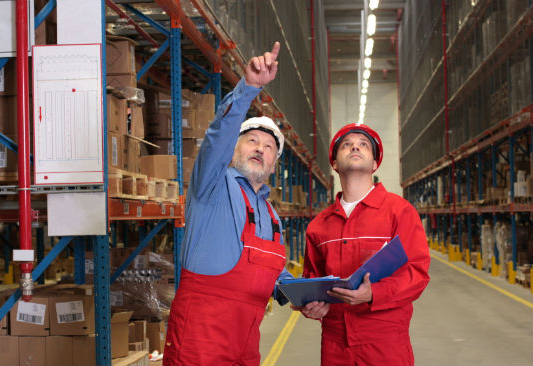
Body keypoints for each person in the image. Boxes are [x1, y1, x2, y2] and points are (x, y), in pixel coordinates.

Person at [163, 42, 293, 366]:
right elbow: (218, 135)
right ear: (233, 150)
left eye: (268, 147)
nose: (260, 149)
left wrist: (303, 292)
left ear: (274, 164)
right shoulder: (212, 184)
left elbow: (270, 273)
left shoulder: (272, 215)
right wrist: (249, 88)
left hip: (246, 344)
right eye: (251, 140)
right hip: (199, 342)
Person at [295, 123, 430, 366]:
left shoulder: (399, 212)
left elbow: (416, 274)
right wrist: (312, 306)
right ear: (334, 164)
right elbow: (312, 280)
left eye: (363, 145)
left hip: (385, 342)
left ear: (375, 164)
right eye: (346, 145)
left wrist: (374, 294)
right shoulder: (318, 226)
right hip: (335, 344)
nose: (355, 146)